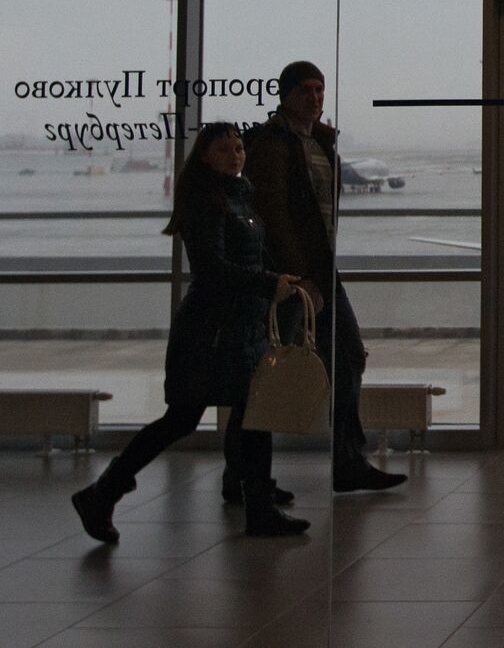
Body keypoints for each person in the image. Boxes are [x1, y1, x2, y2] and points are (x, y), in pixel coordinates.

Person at [71, 123, 311, 542]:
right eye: (224, 149)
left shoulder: (239, 197)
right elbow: (213, 269)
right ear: (205, 156)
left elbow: (245, 260)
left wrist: (274, 280)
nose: (236, 155)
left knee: (245, 415)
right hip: (212, 332)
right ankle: (103, 491)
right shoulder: (208, 203)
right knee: (187, 418)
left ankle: (257, 509)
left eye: (238, 148)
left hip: (235, 328)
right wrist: (267, 283)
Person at [242, 61, 406, 493]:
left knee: (348, 357)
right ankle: (241, 474)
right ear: (286, 94)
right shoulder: (272, 144)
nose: (315, 98)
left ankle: (348, 460)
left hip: (319, 269)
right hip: (293, 276)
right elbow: (274, 215)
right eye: (306, 90)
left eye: (321, 89)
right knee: (267, 373)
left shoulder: (318, 141)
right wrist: (297, 278)